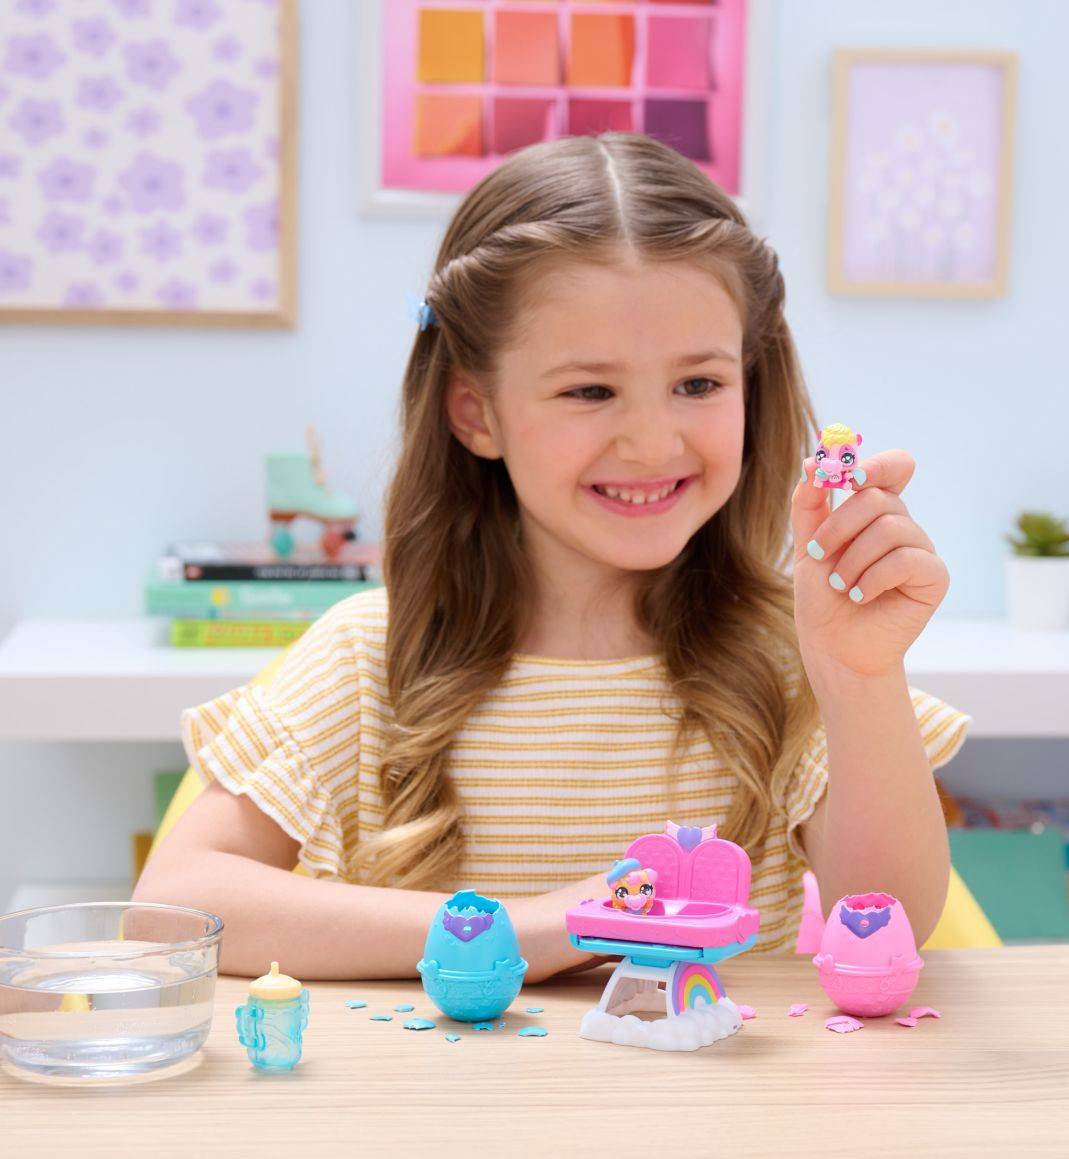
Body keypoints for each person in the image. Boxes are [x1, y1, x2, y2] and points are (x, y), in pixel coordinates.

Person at [134, 133, 968, 983]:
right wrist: (534, 930)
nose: (653, 442)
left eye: (699, 384)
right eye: (589, 391)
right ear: (476, 413)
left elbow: (890, 921)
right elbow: (173, 911)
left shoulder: (789, 655)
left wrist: (859, 678)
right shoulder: (367, 657)